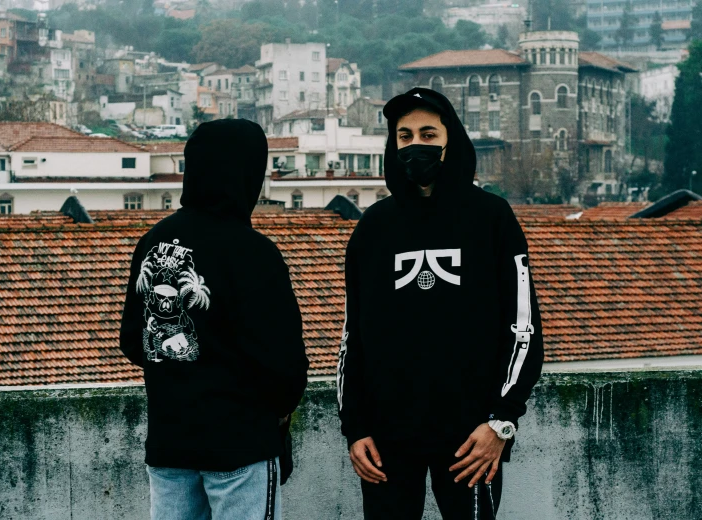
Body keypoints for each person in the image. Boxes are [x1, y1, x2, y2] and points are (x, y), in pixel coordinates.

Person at [337, 87, 544, 519]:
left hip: (471, 440)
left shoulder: (492, 218)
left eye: (429, 134)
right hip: (386, 444)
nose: (416, 146)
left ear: (453, 140)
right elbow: (352, 338)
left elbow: (523, 330)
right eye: (405, 136)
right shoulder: (373, 227)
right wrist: (355, 428)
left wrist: (500, 422)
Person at [120, 119, 309, 520]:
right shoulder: (254, 253)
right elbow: (284, 368)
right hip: (239, 446)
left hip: (170, 443)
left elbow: (133, 341)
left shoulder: (154, 241)